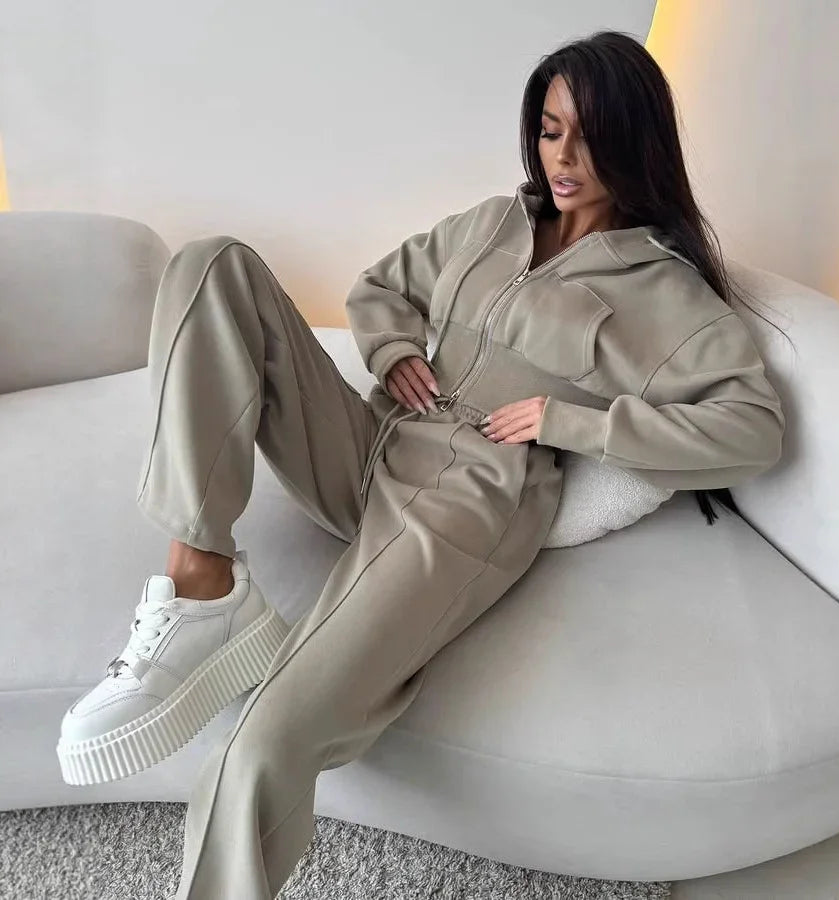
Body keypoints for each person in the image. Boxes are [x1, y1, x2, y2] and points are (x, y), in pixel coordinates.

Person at [56, 28, 785, 899]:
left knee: (269, 736)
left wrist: (575, 423)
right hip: (376, 439)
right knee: (213, 264)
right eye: (550, 129)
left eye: (588, 137)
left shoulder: (665, 293)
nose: (562, 158)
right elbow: (382, 286)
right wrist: (393, 346)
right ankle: (202, 579)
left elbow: (752, 429)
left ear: (637, 141)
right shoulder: (494, 222)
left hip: (468, 502)